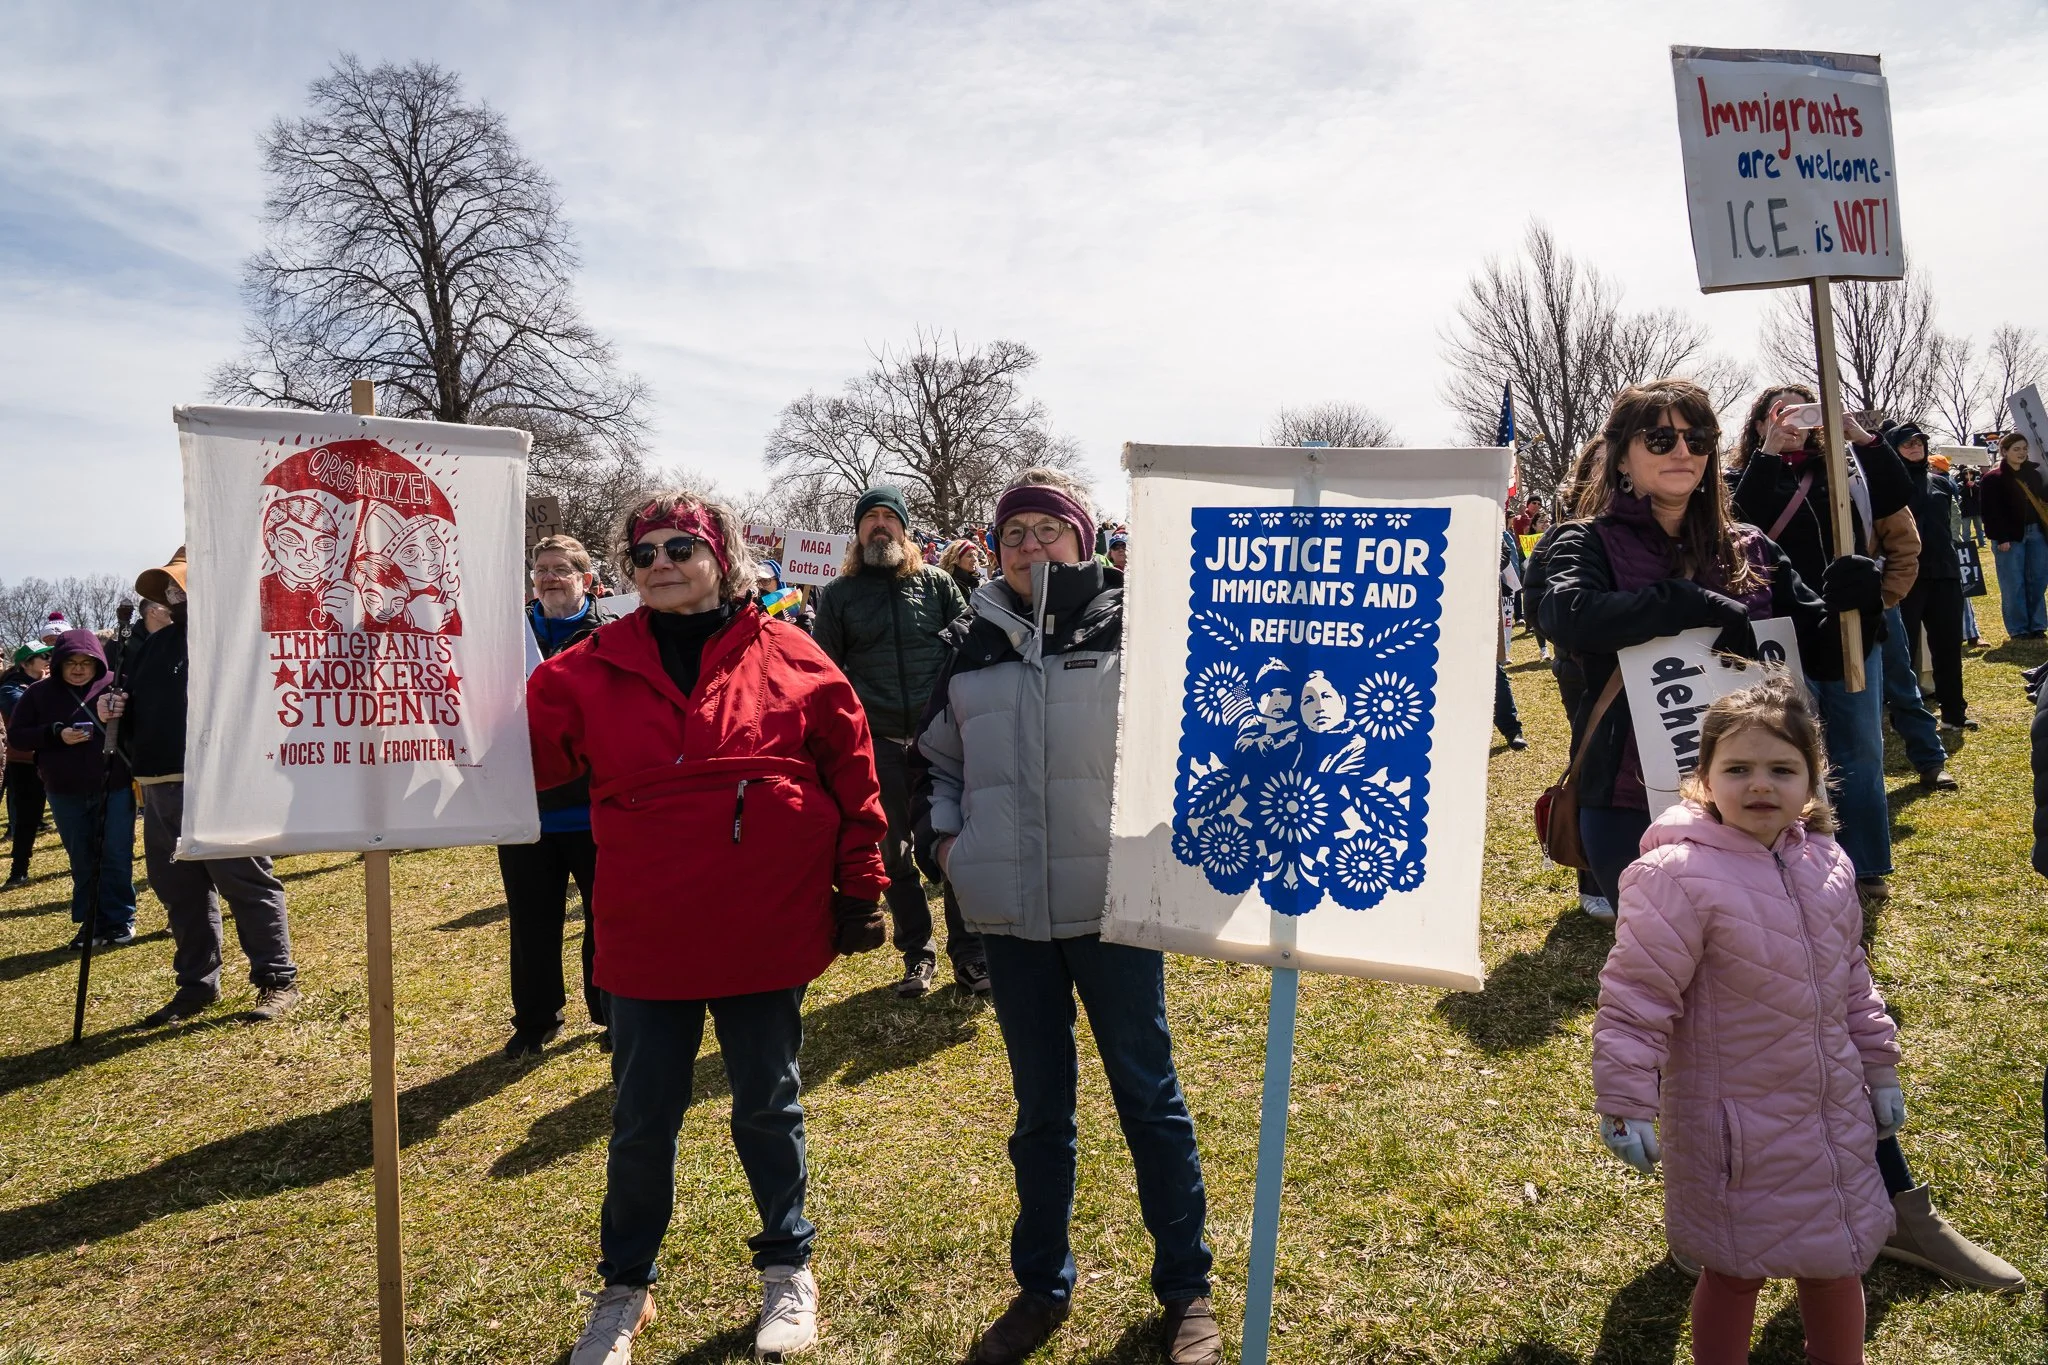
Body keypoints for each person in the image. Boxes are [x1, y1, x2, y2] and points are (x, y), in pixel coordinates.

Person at [529, 489, 890, 1365]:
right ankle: (624, 1290)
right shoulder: (584, 668)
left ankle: (788, 1268)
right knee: (641, 1116)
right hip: (647, 931)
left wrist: (862, 885)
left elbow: (853, 775)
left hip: (763, 927)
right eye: (644, 551)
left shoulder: (795, 656)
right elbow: (522, 765)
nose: (659, 562)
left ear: (720, 558)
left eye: (680, 547)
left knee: (768, 1103)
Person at [913, 469, 1221, 1365]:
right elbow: (936, 762)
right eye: (1014, 534)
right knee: (1040, 1111)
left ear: (1084, 539)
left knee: (1148, 1097)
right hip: (1011, 918)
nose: (1029, 547)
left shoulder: (1139, 626)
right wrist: (950, 849)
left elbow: (1196, 738)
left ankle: (1185, 1289)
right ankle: (1041, 1285)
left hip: (1113, 910)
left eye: (1049, 529)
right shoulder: (971, 641)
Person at [1594, 675, 1898, 1364]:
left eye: (1782, 769)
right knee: (1734, 1267)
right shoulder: (1676, 876)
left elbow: (1852, 974)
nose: (1760, 784)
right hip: (1733, 1128)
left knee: (1836, 1258)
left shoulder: (1827, 863)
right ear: (1703, 778)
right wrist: (1624, 1099)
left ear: (1813, 779)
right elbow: (1636, 999)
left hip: (1829, 1115)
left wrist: (1878, 1064)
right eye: (1738, 768)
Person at [1538, 378, 1843, 914]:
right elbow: (1568, 616)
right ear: (1623, 458)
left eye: (1697, 437)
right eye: (1660, 440)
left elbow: (1825, 656)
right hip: (1631, 796)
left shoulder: (1751, 546)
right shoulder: (1587, 541)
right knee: (1667, 961)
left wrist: (1854, 605)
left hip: (1758, 797)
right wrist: (1687, 602)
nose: (1682, 450)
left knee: (1757, 960)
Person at [1730, 385, 1927, 899]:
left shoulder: (1848, 473)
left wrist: (1860, 435)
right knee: (1785, 746)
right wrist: (1770, 450)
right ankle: (1796, 860)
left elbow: (1897, 498)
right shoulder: (1744, 476)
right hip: (1779, 633)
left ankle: (1863, 862)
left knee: (1859, 745)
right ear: (1757, 423)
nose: (1795, 420)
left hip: (1850, 628)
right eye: (1779, 412)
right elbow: (1739, 522)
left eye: (1807, 409)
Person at [101, 549, 302, 1024]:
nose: (171, 594)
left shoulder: (236, 637)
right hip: (159, 787)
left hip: (221, 781)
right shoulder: (150, 646)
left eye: (179, 585)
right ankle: (196, 986)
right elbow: (137, 720)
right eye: (167, 588)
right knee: (179, 890)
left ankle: (277, 980)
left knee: (245, 882)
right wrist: (115, 712)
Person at [812, 484, 985, 998]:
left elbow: (968, 648)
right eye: (870, 518)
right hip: (878, 741)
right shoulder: (840, 595)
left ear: (905, 530)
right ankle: (918, 954)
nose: (880, 525)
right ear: (858, 532)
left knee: (955, 840)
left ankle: (970, 954)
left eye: (890, 517)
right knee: (896, 853)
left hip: (942, 740)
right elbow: (825, 671)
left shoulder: (936, 585)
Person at [498, 535, 615, 1057]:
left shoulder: (611, 636)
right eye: (540, 570)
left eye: (560, 569)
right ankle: (536, 1019)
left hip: (594, 805)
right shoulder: (507, 635)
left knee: (606, 914)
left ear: (585, 579)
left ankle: (611, 1010)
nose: (547, 578)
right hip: (525, 807)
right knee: (530, 919)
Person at [7, 629, 136, 947]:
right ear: (60, 663)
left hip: (114, 785)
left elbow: (142, 723)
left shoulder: (117, 684)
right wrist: (54, 733)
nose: (79, 669)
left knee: (115, 852)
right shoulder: (38, 693)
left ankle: (120, 919)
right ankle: (91, 922)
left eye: (86, 662)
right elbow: (18, 736)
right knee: (82, 857)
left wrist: (122, 712)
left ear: (97, 663)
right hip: (64, 789)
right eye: (71, 662)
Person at [1888, 424, 1972, 731]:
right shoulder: (1886, 483)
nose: (1914, 447)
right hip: (1906, 577)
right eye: (1907, 443)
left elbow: (1953, 524)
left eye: (1919, 442)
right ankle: (1906, 718)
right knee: (1904, 652)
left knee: (1948, 646)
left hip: (1945, 573)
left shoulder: (1941, 481)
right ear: (1894, 449)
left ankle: (1954, 713)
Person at [1979, 431, 2048, 639]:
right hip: (2009, 536)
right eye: (2016, 449)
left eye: (2025, 449)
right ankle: (2018, 628)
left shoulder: (2035, 473)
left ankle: (2037, 625)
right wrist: (2001, 537)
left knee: (2038, 580)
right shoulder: (1993, 478)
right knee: (2013, 583)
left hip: (2036, 533)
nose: (2022, 453)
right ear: (2004, 451)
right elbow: (1990, 512)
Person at [2, 642, 53, 887]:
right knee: (26, 818)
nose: (47, 659)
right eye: (41, 656)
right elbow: (26, 711)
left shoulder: (51, 685)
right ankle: (18, 870)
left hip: (56, 757)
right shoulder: (10, 688)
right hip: (25, 761)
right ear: (25, 663)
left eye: (49, 655)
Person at [939, 538, 986, 604]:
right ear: (956, 560)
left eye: (975, 555)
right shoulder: (947, 585)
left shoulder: (982, 582)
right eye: (969, 556)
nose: (975, 559)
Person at [1959, 464, 1985, 545]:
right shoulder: (1961, 484)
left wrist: (1974, 486)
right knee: (1966, 529)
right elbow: (1961, 493)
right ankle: (1967, 544)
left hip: (1976, 509)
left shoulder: (1977, 482)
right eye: (1966, 474)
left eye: (1970, 474)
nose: (1968, 476)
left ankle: (1981, 542)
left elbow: (1980, 492)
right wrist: (1967, 487)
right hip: (1966, 510)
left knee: (1979, 527)